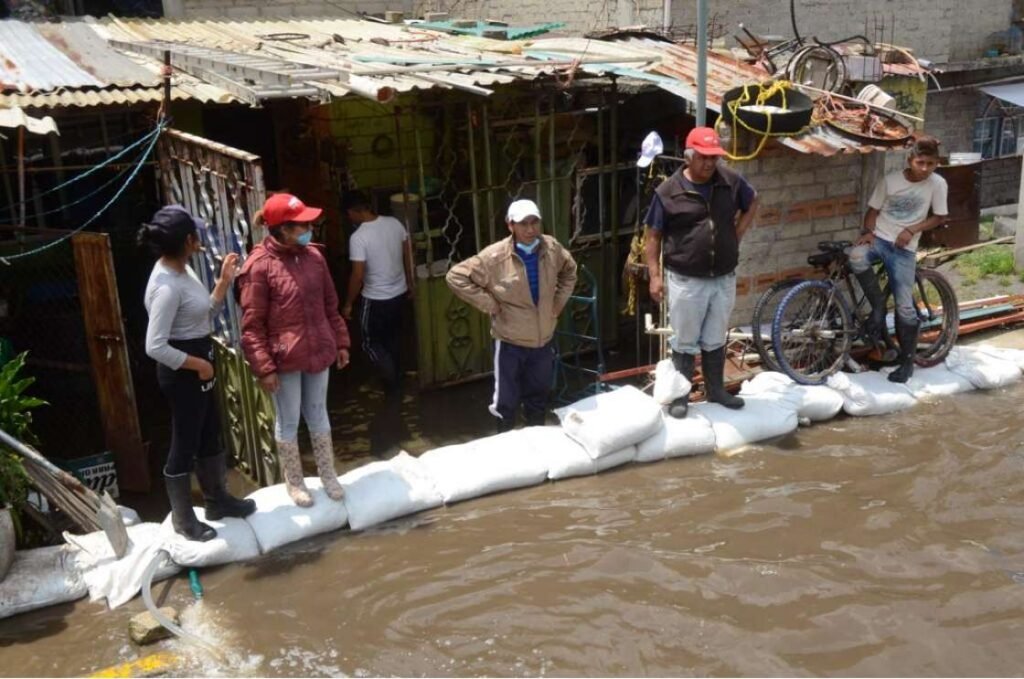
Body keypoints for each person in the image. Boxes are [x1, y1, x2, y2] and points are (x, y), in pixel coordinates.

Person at [140, 205, 256, 542]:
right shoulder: (166, 286)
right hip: (183, 372)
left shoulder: (181, 270)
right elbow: (155, 346)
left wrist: (223, 282)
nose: (200, 240)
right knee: (185, 442)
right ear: (189, 241)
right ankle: (183, 520)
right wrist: (200, 365)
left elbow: (203, 314)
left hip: (198, 361)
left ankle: (217, 500)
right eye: (197, 235)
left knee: (209, 433)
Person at [237, 193, 351, 507]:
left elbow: (331, 305)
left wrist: (340, 342)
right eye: (302, 225)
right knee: (288, 421)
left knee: (319, 415)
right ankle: (295, 482)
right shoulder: (259, 267)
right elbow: (252, 326)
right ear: (283, 229)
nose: (309, 228)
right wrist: (265, 368)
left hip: (319, 350)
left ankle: (329, 476)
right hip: (285, 359)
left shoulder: (314, 257)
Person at [643, 126, 760, 418]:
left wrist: (737, 234)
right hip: (686, 279)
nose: (709, 163)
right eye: (704, 157)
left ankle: (716, 390)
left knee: (715, 336)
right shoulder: (668, 191)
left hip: (722, 276)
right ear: (689, 157)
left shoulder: (730, 181)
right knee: (684, 339)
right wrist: (655, 276)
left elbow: (753, 201)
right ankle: (680, 395)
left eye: (714, 158)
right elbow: (653, 236)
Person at [446, 198, 577, 432]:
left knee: (538, 398)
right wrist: (490, 304)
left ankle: (535, 444)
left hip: (543, 341)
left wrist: (557, 303)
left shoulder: (551, 248)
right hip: (510, 343)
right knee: (506, 401)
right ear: (510, 225)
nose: (530, 229)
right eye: (523, 224)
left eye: (534, 222)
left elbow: (570, 271)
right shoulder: (495, 257)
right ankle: (505, 445)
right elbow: (456, 276)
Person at [851, 135, 948, 383]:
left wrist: (911, 230)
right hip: (880, 239)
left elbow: (938, 216)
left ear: (937, 164)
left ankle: (906, 363)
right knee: (855, 257)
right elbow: (871, 212)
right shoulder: (890, 181)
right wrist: (870, 232)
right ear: (910, 160)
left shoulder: (937, 184)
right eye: (920, 162)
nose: (925, 168)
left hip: (904, 249)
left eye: (930, 164)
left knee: (905, 308)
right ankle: (879, 306)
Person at [340, 190, 415, 394]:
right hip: (399, 295)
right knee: (393, 339)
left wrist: (347, 303)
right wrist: (411, 282)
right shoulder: (394, 224)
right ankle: (396, 377)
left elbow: (357, 275)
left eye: (348, 215)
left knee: (369, 343)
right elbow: (408, 254)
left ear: (352, 212)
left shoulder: (358, 237)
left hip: (375, 300)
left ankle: (390, 380)